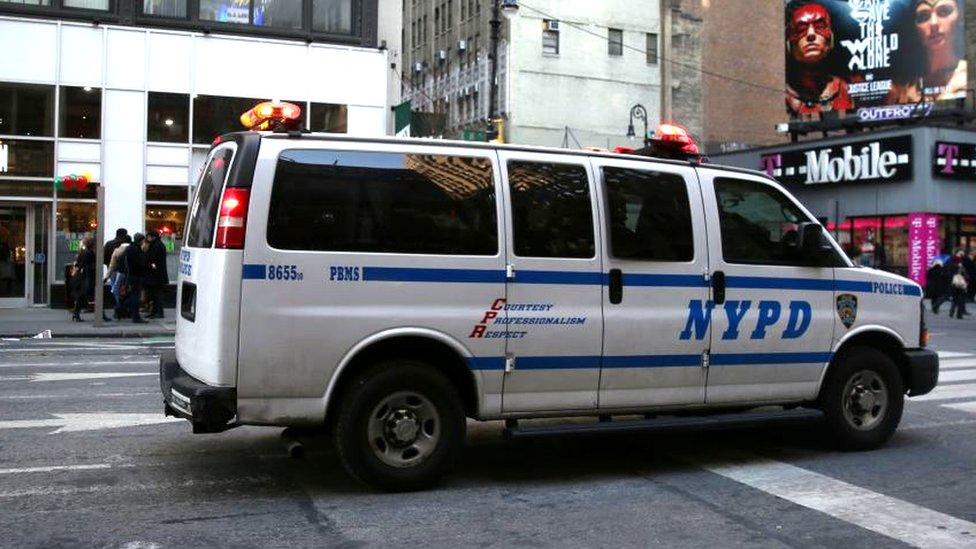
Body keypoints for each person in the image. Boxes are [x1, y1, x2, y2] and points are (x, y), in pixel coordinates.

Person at [888, 0, 968, 103]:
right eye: (923, 17)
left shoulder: (967, 77)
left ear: (960, 17)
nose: (933, 23)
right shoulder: (902, 86)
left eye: (944, 12)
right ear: (914, 27)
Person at [785, 2, 853, 118]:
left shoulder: (847, 89)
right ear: (789, 42)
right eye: (801, 29)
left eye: (820, 27)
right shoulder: (784, 96)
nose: (811, 34)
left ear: (830, 37)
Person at [120, 233, 148, 324]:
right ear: (140, 240)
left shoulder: (130, 248)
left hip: (131, 275)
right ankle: (135, 316)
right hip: (136, 275)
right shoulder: (136, 249)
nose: (144, 242)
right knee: (135, 296)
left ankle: (121, 310)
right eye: (143, 240)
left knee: (132, 295)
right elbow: (140, 263)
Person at [144, 230, 170, 319]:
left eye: (148, 237)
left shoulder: (156, 246)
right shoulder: (157, 245)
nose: (147, 239)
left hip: (156, 275)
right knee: (154, 295)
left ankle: (158, 312)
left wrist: (150, 265)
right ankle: (154, 312)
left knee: (156, 295)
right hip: (156, 275)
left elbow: (152, 259)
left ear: (153, 237)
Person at [70, 237, 96, 322]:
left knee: (83, 296)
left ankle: (76, 313)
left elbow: (78, 264)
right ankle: (76, 313)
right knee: (84, 295)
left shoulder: (82, 252)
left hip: (81, 276)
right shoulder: (89, 253)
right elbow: (85, 264)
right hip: (86, 276)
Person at [108, 234, 132, 319]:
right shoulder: (133, 248)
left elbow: (112, 264)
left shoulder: (117, 250)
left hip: (119, 274)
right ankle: (126, 310)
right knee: (130, 293)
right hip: (131, 274)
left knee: (118, 293)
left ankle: (118, 310)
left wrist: (108, 275)